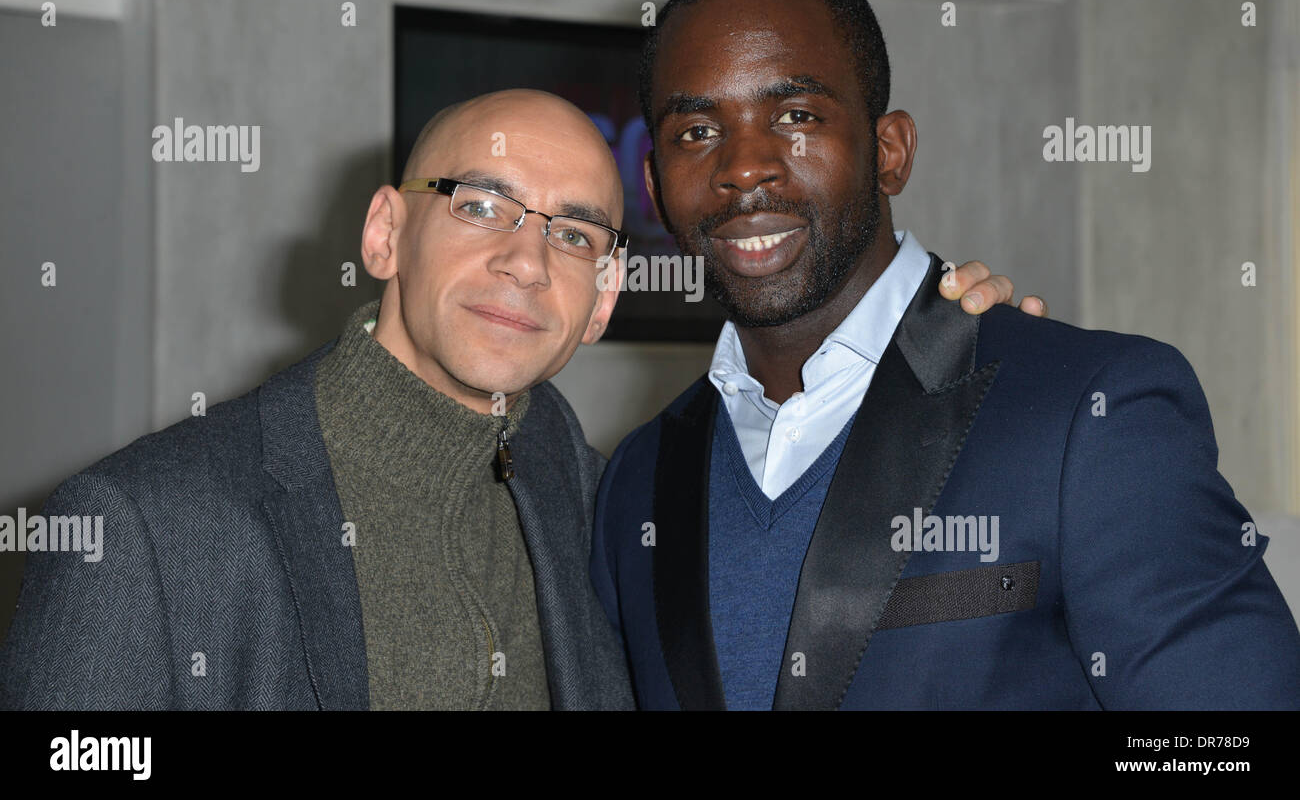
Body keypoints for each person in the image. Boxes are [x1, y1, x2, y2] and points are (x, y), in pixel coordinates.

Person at [0, 84, 1029, 711]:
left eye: (575, 233)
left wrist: (945, 384)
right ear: (385, 235)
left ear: (601, 301)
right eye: (482, 205)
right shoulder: (142, 526)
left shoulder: (612, 509)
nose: (526, 261)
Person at [589, 0, 1300, 710]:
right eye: (696, 131)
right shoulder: (636, 480)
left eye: (796, 116)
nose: (745, 166)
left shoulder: (1086, 415)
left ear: (890, 152)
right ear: (657, 187)